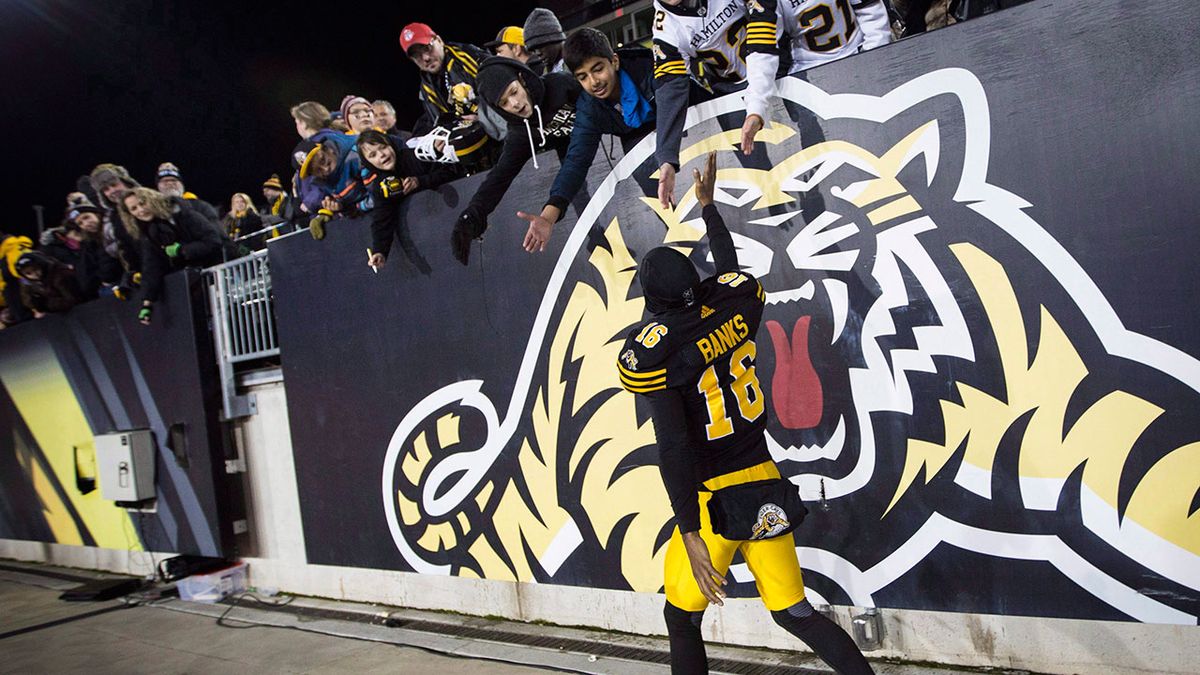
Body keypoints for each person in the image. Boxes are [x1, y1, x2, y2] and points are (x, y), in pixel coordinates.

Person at [617, 153, 874, 675]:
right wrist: (711, 212)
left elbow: (673, 447)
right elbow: (731, 275)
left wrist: (689, 531)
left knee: (681, 618)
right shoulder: (737, 303)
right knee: (796, 612)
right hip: (763, 480)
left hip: (712, 500)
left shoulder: (659, 354)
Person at [514, 28, 657, 255]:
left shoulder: (650, 67)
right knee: (650, 181)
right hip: (638, 139)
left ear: (615, 61)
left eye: (597, 69)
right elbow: (575, 162)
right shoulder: (589, 107)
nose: (593, 82)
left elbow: (693, 99)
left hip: (686, 126)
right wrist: (548, 216)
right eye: (582, 77)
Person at [450, 56, 580, 265]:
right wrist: (472, 215)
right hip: (578, 173)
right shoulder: (520, 132)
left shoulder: (560, 85)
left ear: (522, 80)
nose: (515, 104)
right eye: (504, 103)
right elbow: (500, 176)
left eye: (514, 92)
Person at [741, 0, 893, 153]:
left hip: (859, 52)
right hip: (810, 75)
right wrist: (755, 109)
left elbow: (870, 11)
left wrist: (874, 59)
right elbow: (761, 51)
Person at [651, 0, 749, 209]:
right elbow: (670, 90)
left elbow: (768, 13)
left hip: (783, 66)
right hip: (734, 90)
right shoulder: (666, 28)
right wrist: (667, 159)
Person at [400, 22, 504, 171]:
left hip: (504, 140)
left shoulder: (468, 56)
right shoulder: (425, 90)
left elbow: (506, 91)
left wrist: (483, 116)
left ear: (439, 41)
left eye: (427, 48)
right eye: (416, 55)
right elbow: (441, 122)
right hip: (475, 157)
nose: (425, 58)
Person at [119, 187, 230, 325]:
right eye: (134, 208)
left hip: (221, 277)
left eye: (142, 203)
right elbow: (152, 267)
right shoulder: (149, 233)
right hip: (197, 285)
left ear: (152, 199)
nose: (140, 210)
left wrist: (182, 250)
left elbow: (213, 241)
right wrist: (147, 303)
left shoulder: (185, 214)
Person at [357, 130, 455, 271]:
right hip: (431, 238)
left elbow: (450, 172)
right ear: (368, 163)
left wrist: (420, 182)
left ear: (391, 144)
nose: (382, 155)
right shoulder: (381, 187)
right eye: (373, 155)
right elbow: (382, 219)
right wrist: (380, 251)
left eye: (383, 147)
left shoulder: (413, 156)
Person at [293, 129, 366, 239]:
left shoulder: (358, 151)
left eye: (322, 160)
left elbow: (379, 196)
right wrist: (339, 209)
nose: (325, 169)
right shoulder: (323, 183)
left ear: (328, 149)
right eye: (317, 170)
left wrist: (354, 208)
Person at [14, 251, 84, 317]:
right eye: (28, 273)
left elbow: (71, 299)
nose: (35, 274)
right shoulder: (30, 284)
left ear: (41, 265)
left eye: (35, 269)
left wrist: (46, 304)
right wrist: (36, 304)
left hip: (81, 310)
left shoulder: (60, 274)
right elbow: (27, 301)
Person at [155, 162, 220, 222]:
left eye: (173, 180)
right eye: (165, 181)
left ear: (181, 184)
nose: (170, 183)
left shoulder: (200, 207)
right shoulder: (153, 210)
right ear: (158, 186)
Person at [0, 230, 34, 326]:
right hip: (18, 313)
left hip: (31, 311)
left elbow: (30, 277)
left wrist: (35, 307)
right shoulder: (2, 255)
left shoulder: (13, 248)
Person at [523, 8, 566, 75]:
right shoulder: (546, 72)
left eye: (540, 46)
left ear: (554, 38)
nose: (538, 53)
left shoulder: (580, 59)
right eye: (534, 50)